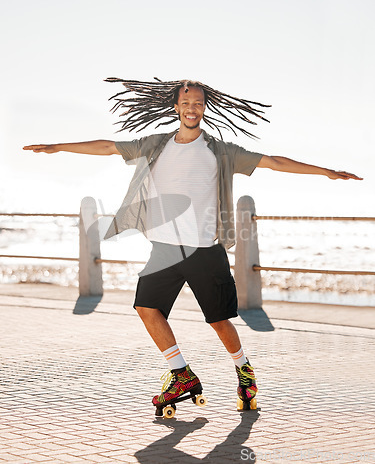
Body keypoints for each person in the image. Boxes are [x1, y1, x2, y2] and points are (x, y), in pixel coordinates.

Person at [23, 78, 362, 414]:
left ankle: (243, 369)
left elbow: (274, 161)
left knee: (218, 320)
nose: (191, 108)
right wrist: (58, 147)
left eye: (197, 103)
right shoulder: (155, 144)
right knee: (146, 307)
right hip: (165, 250)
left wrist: (327, 172)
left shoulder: (221, 151)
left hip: (204, 249)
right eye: (185, 103)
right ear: (175, 108)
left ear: (204, 107)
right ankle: (182, 373)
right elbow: (109, 146)